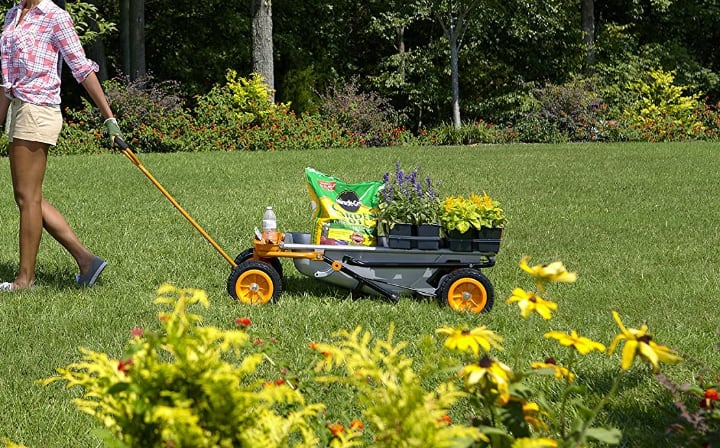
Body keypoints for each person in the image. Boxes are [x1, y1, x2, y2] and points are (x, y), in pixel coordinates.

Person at [0, 0, 122, 292]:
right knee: (28, 198)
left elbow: (81, 68)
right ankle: (86, 260)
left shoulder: (56, 17)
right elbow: (5, 75)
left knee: (27, 198)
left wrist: (109, 118)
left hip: (38, 108)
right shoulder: (14, 14)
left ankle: (24, 280)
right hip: (18, 108)